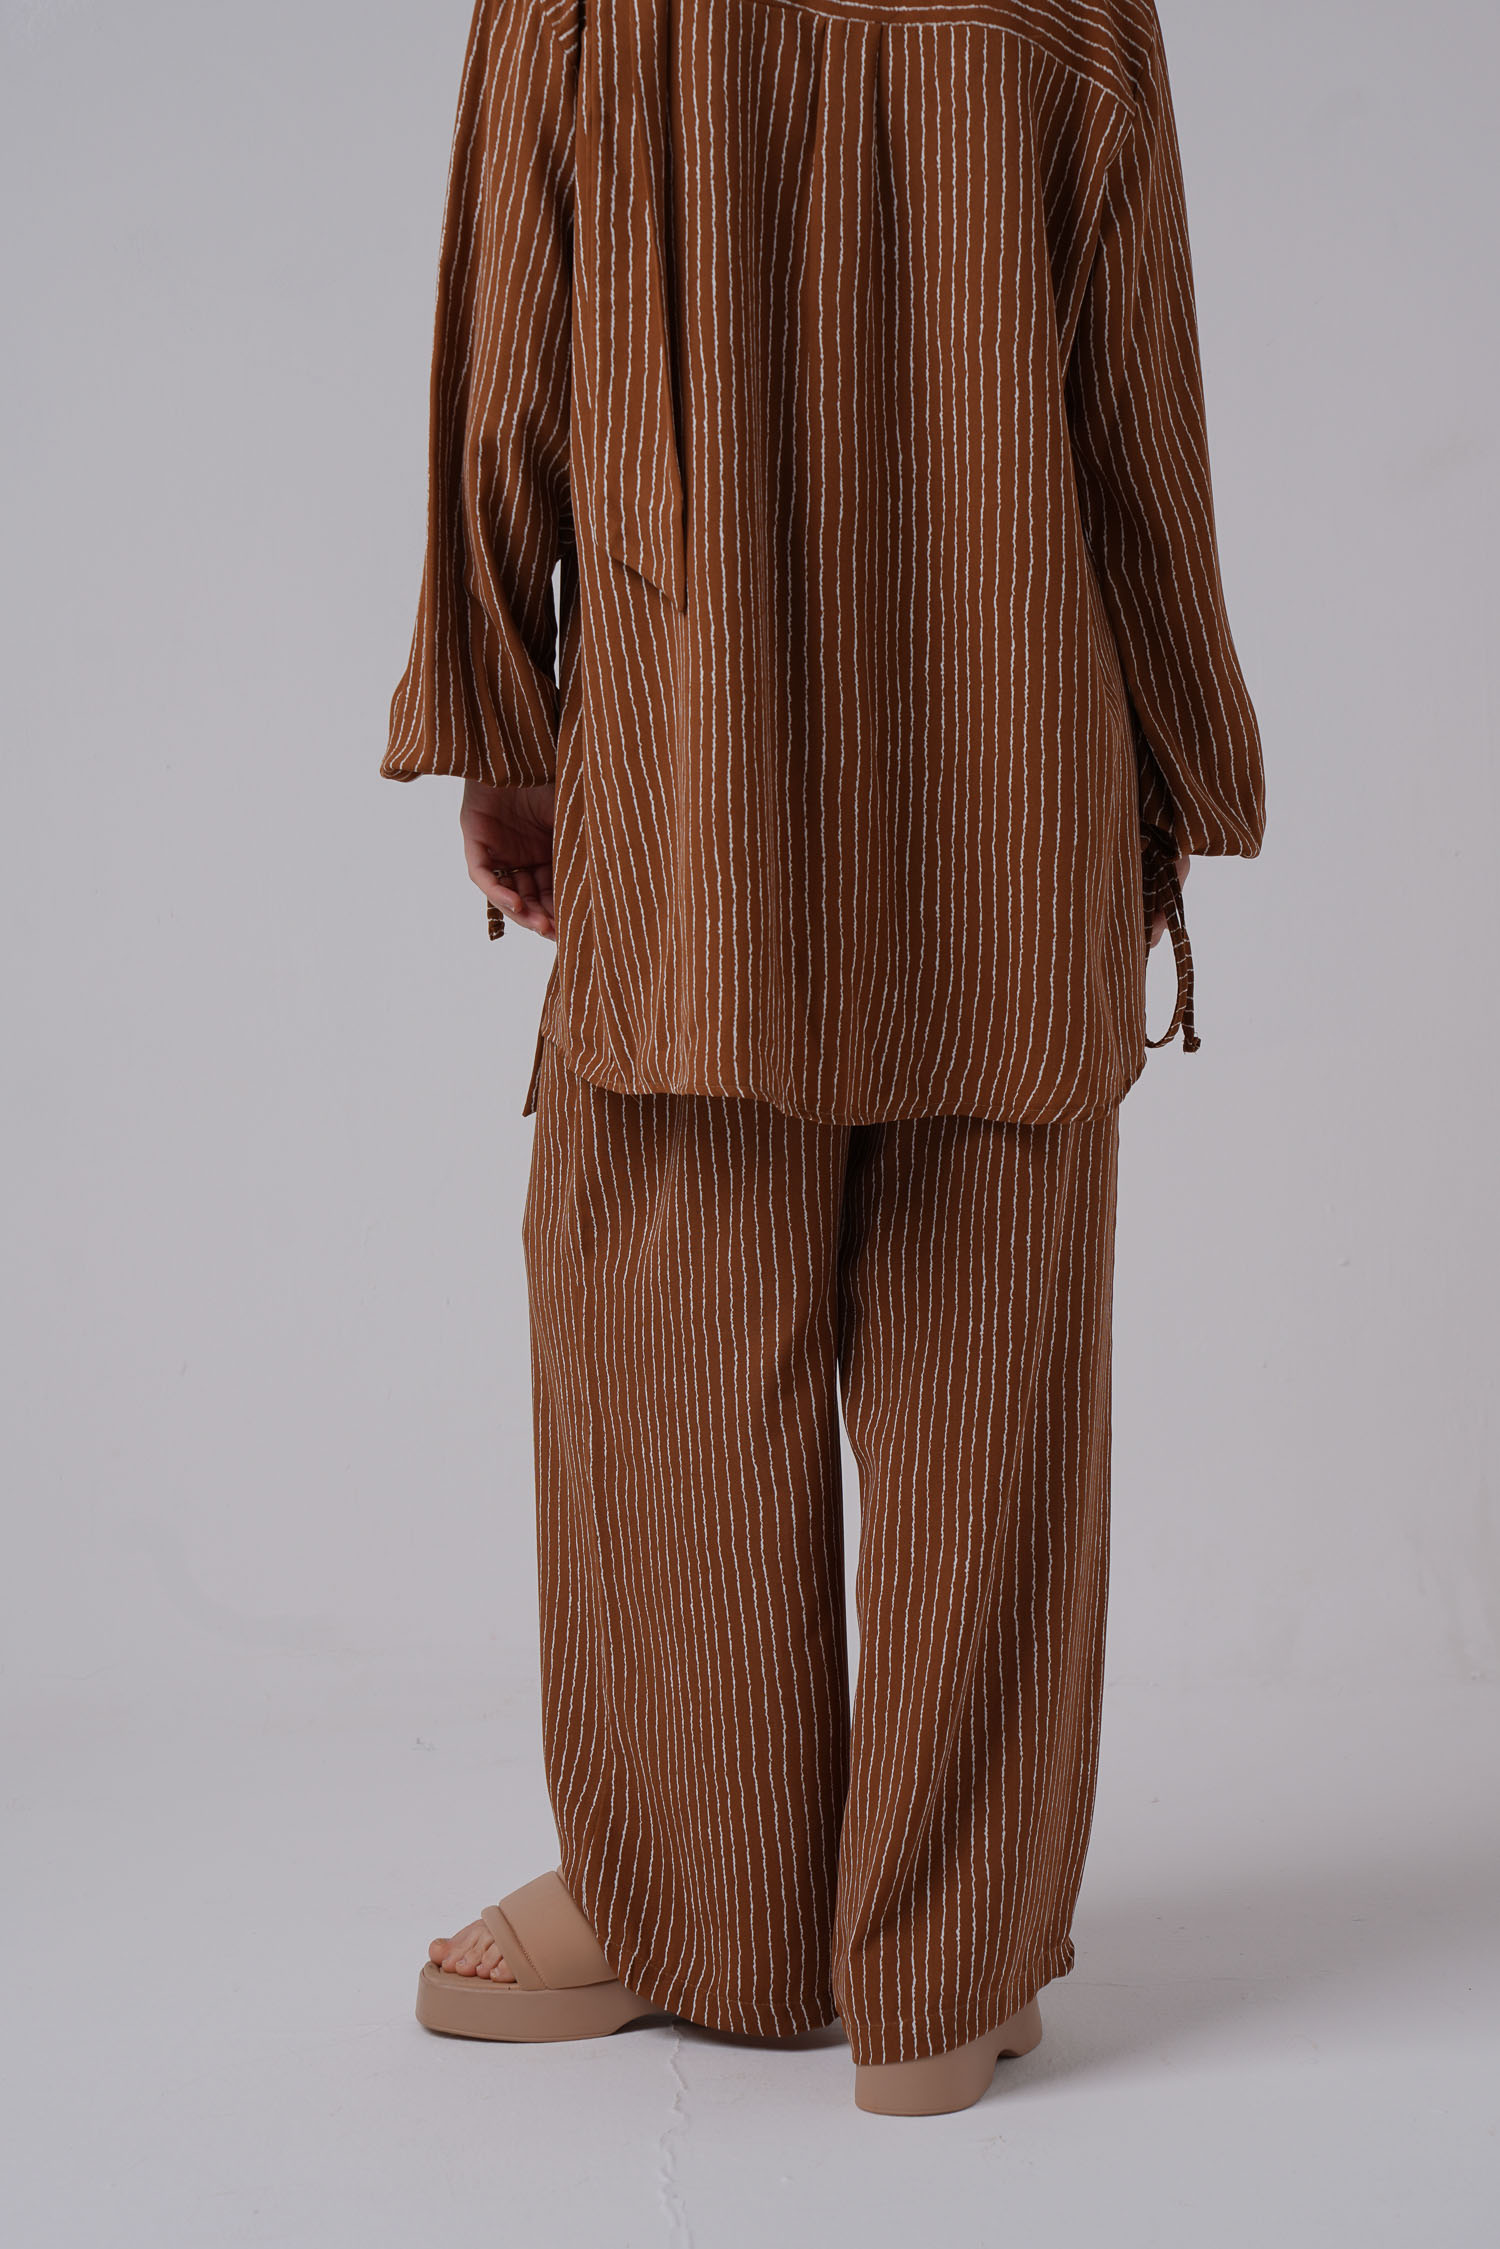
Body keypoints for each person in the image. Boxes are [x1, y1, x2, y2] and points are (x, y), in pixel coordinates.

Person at [382, 0, 1265, 2115]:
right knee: (994, 1354)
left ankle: (702, 1908)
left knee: (664, 1322)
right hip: (1014, 767)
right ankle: (951, 1965)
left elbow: (508, 366)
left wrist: (508, 722)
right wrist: (1172, 774)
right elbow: (1136, 414)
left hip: (698, 789)